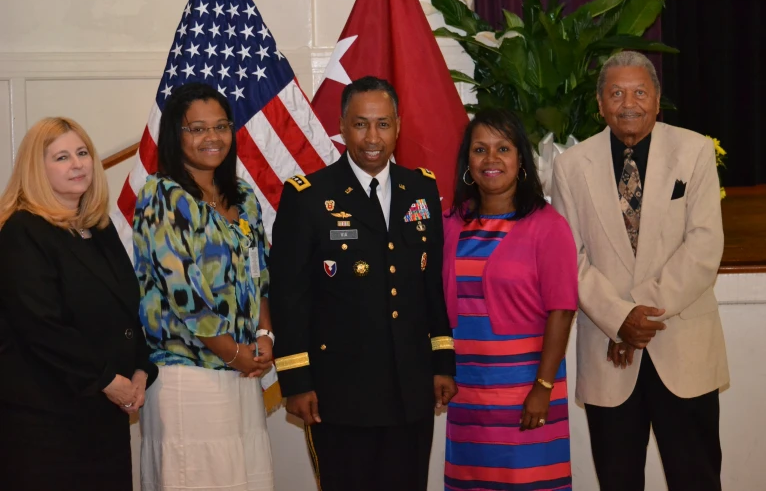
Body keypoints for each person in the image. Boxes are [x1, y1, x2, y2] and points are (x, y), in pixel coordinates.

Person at [551, 51, 728, 491]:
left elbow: (705, 247)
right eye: (616, 93)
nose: (628, 103)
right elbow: (566, 257)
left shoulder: (694, 150)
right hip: (607, 355)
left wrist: (633, 318)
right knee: (618, 481)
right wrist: (617, 321)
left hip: (682, 347)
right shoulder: (571, 166)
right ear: (599, 103)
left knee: (697, 478)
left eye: (639, 92)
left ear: (657, 97)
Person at [270, 75, 457, 491]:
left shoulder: (421, 190)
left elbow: (431, 287)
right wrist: (297, 381)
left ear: (398, 126)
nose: (372, 136)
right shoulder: (310, 196)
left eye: (383, 123)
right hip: (339, 392)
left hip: (411, 389)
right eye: (360, 124)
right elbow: (288, 296)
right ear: (341, 126)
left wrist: (442, 361)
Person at [0, 117, 158, 490]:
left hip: (103, 419)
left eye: (83, 152)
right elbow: (41, 325)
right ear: (36, 170)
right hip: (46, 424)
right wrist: (105, 380)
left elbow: (126, 310)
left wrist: (140, 369)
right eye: (61, 157)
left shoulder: (98, 228)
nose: (78, 164)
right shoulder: (22, 231)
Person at [133, 83, 275, 490]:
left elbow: (260, 273)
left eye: (221, 126)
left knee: (244, 478)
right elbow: (185, 297)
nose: (212, 138)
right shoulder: (162, 195)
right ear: (175, 135)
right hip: (189, 375)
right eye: (196, 129)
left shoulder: (243, 196)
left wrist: (264, 336)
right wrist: (234, 354)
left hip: (242, 370)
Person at [442, 108, 578, 490]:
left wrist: (543, 387)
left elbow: (562, 310)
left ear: (521, 160)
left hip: (526, 393)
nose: (491, 159)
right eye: (480, 149)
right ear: (467, 161)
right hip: (466, 391)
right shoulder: (451, 223)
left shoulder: (547, 226)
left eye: (503, 148)